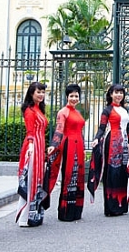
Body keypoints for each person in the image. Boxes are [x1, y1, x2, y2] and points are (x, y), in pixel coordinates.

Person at [46, 83, 85, 221]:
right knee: (69, 176)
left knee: (78, 176)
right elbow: (59, 129)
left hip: (79, 145)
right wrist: (54, 145)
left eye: (76, 96)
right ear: (67, 97)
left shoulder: (78, 113)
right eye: (71, 96)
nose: (74, 98)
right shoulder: (63, 112)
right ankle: (66, 211)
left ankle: (76, 210)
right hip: (69, 144)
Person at [91, 83, 129, 216]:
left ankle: (121, 205)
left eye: (121, 92)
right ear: (110, 94)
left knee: (122, 173)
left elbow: (128, 128)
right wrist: (97, 139)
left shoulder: (125, 110)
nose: (119, 95)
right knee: (112, 173)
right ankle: (111, 207)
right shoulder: (107, 110)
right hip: (112, 143)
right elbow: (102, 127)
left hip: (124, 143)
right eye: (116, 92)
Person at [16, 81, 48, 227]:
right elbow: (30, 130)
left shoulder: (39, 109)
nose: (41, 95)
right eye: (38, 92)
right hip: (33, 146)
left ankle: (35, 213)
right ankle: (24, 216)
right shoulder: (30, 110)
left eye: (42, 92)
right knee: (30, 179)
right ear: (31, 93)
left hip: (40, 146)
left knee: (38, 179)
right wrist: (30, 146)